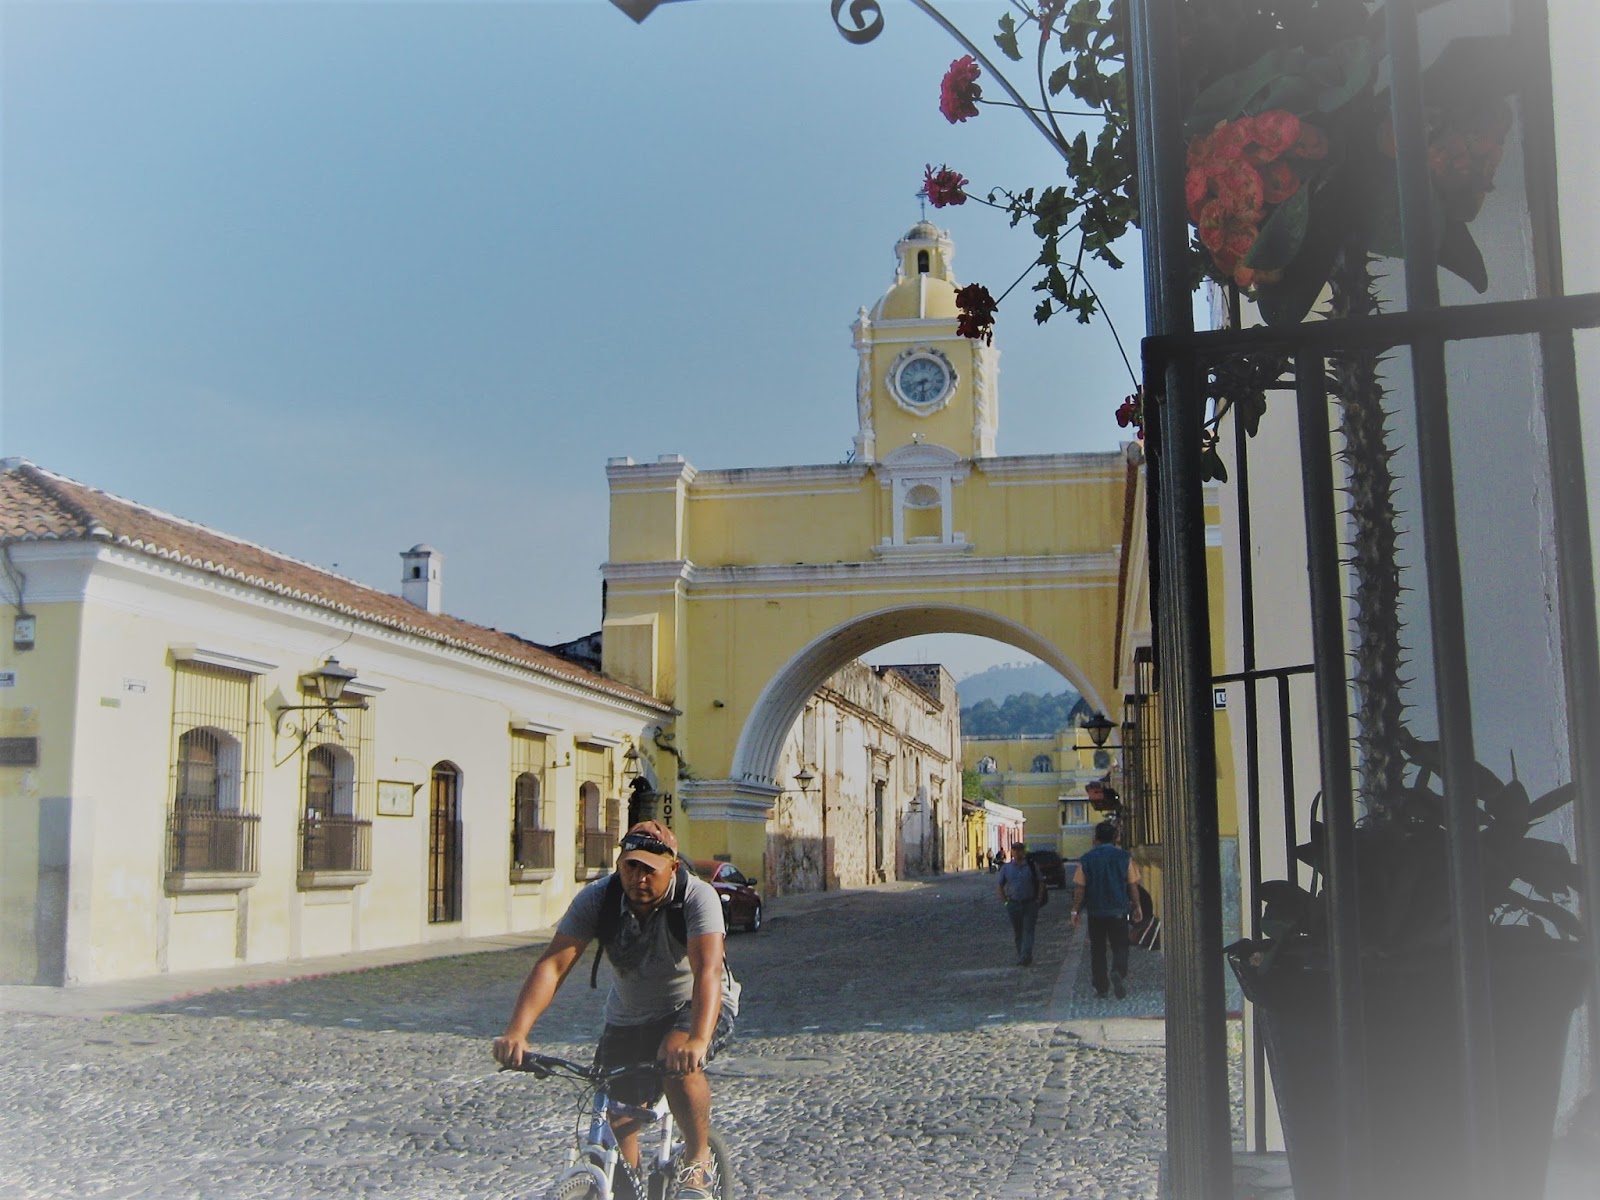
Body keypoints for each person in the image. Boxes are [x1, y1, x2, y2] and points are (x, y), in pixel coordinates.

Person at [492, 821, 738, 1200]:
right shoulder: (599, 898)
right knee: (619, 1114)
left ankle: (697, 1157)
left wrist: (698, 1039)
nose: (638, 878)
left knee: (676, 1058)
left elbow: (708, 971)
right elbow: (553, 965)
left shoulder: (695, 896)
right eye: (630, 866)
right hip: (630, 1014)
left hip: (694, 1004)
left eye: (649, 870)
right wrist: (517, 1032)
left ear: (672, 868)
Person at [1071, 820, 1143, 999]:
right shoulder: (1124, 857)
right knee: (1121, 945)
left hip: (1095, 912)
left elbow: (1080, 888)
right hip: (1118, 910)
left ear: (1095, 839)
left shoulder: (1086, 859)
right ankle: (1118, 971)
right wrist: (1137, 906)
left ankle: (1101, 987)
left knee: (1097, 950)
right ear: (1115, 838)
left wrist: (1075, 910)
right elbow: (1132, 885)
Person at [996, 842, 1046, 966]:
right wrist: (1006, 902)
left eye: (1019, 850)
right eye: (1015, 850)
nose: (1017, 853)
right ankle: (1022, 955)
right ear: (1012, 852)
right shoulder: (1006, 868)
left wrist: (1038, 899)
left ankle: (1025, 956)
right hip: (1013, 904)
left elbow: (1041, 882)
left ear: (1023, 852)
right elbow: (1000, 886)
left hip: (1030, 903)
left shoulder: (1031, 866)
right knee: (1018, 932)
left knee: (1028, 930)